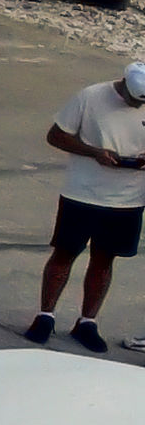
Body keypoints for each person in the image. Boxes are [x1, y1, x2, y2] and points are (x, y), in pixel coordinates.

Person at [30, 61, 145, 347]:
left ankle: (87, 322)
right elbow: (56, 136)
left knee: (104, 260)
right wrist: (93, 152)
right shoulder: (90, 97)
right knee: (64, 254)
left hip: (128, 198)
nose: (137, 106)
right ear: (123, 85)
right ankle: (45, 315)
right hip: (82, 194)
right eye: (133, 100)